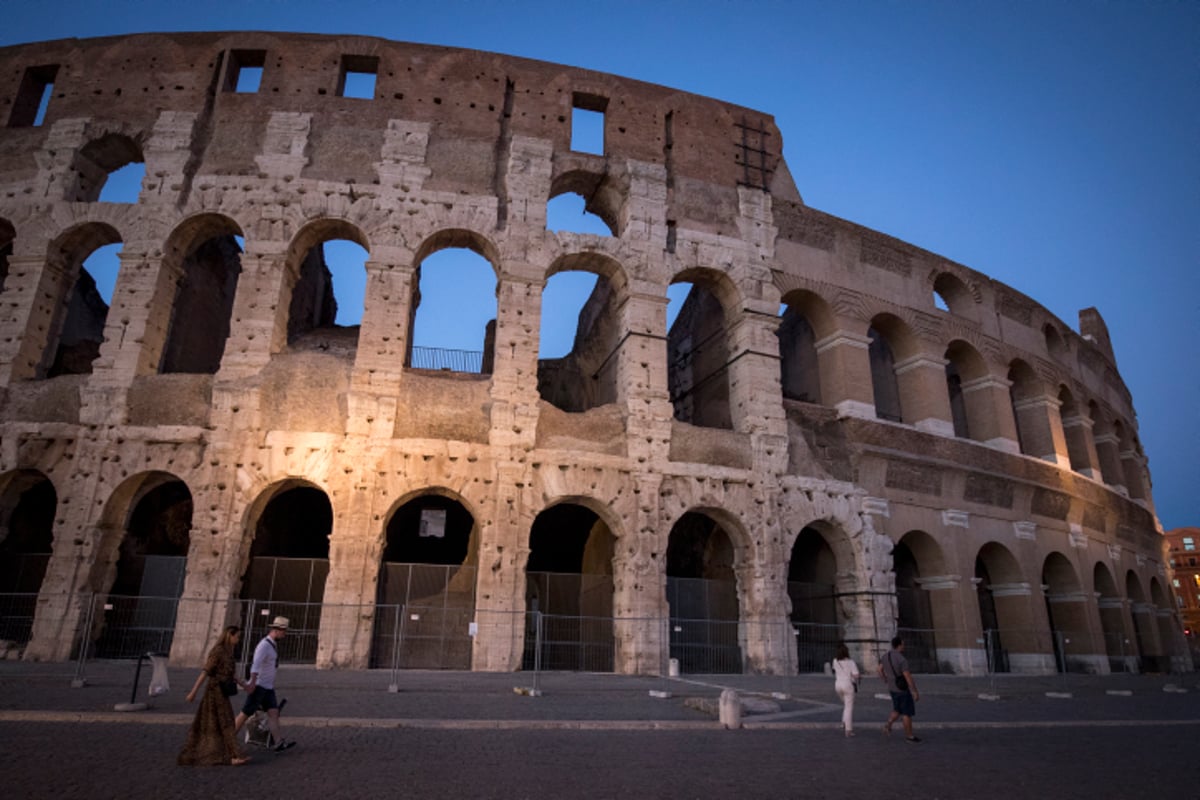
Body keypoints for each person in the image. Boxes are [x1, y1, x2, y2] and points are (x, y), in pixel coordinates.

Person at [178, 625, 250, 766]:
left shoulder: (229, 652)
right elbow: (205, 672)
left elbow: (231, 673)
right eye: (237, 636)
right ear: (230, 635)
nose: (238, 639)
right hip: (214, 692)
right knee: (223, 722)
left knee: (225, 722)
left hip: (223, 692)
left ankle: (232, 755)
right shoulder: (218, 652)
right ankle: (230, 757)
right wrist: (193, 692)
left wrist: (244, 685)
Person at [234, 616, 297, 752]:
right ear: (277, 630)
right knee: (244, 713)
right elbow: (255, 665)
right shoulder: (264, 645)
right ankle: (227, 739)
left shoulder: (272, 644)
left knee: (273, 713)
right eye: (284, 631)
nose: (285, 634)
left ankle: (278, 742)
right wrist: (252, 684)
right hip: (259, 686)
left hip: (268, 687)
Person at [878, 636, 920, 743]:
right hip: (902, 688)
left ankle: (888, 725)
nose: (904, 646)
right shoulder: (902, 659)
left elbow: (879, 669)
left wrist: (885, 679)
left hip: (892, 688)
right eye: (903, 644)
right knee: (907, 713)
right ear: (899, 645)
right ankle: (909, 736)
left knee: (897, 709)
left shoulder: (885, 656)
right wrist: (914, 691)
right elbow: (907, 676)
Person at [831, 642, 861, 736]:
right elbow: (856, 675)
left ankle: (843, 723)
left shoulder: (835, 661)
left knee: (846, 705)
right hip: (848, 685)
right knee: (849, 707)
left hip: (837, 685)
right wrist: (857, 676)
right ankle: (848, 730)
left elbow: (834, 670)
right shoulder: (851, 662)